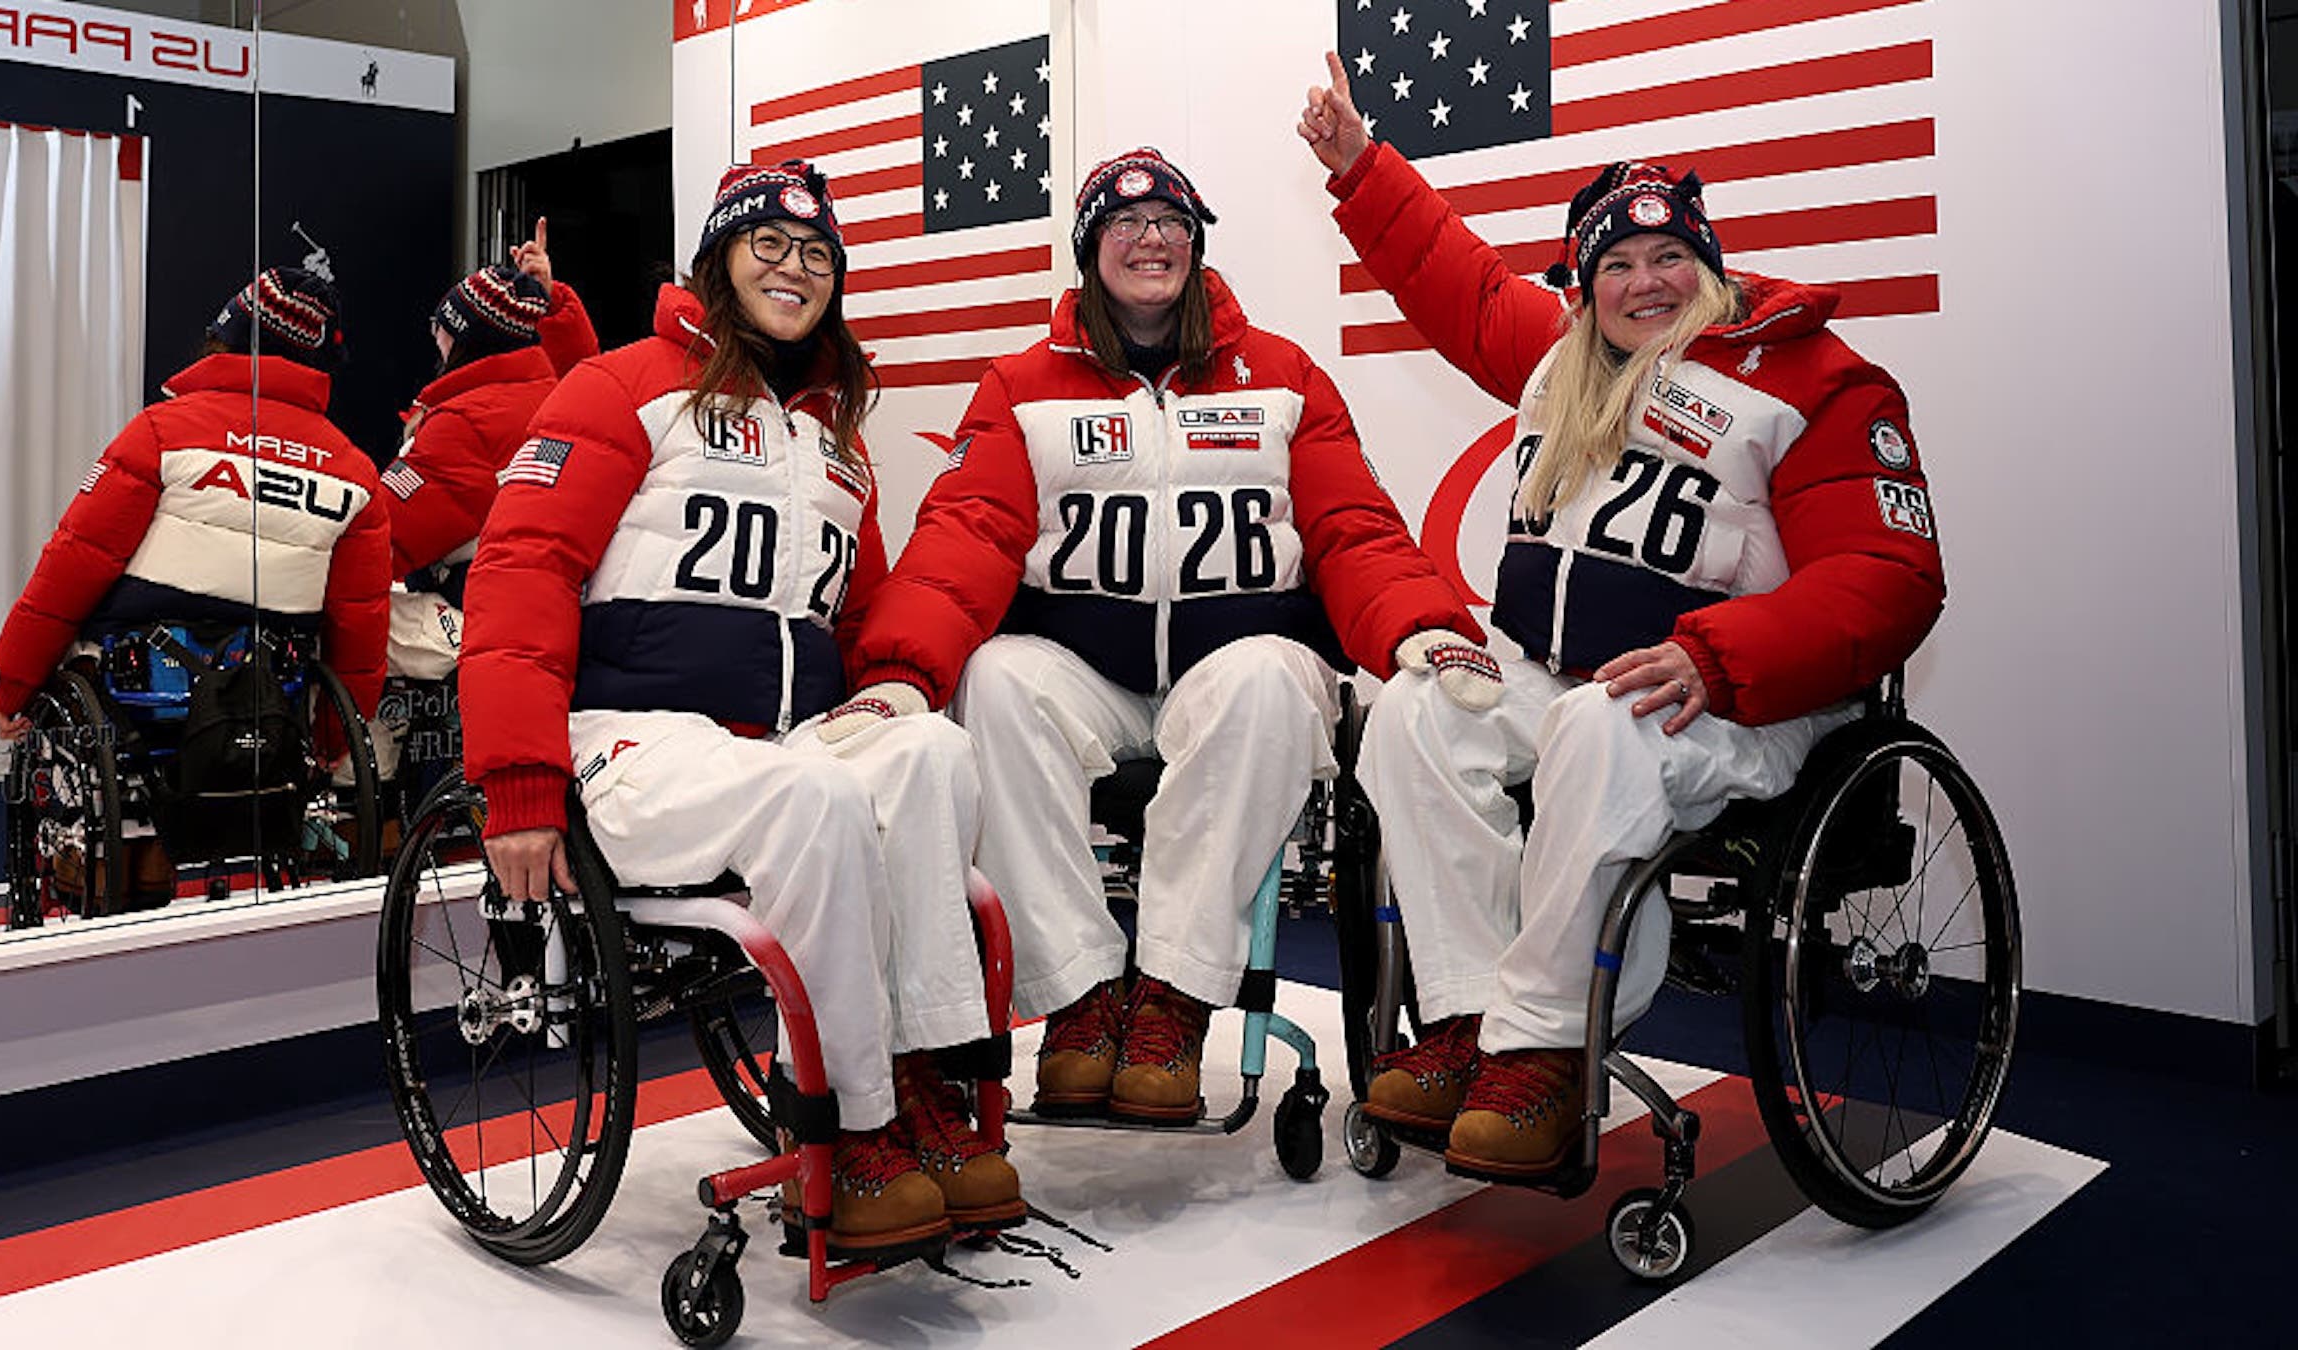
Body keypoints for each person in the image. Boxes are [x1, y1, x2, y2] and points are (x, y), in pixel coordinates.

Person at [1297, 54, 1946, 1179]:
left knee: (1602, 726)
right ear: (1587, 285)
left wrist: (1716, 656)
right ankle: (1462, 1026)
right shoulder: (1564, 363)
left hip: (1737, 694)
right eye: (1620, 264)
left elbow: (1890, 576)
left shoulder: (1818, 382)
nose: (1646, 282)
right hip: (1555, 670)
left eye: (1670, 258)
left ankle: (1545, 1054)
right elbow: (1456, 281)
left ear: (1708, 267)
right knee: (1411, 713)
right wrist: (1361, 169)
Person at [844, 148, 1480, 1125]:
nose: (1151, 240)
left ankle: (1172, 1001)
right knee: (996, 680)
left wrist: (1422, 632)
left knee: (1267, 684)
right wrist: (896, 678)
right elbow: (961, 543)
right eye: (1125, 225)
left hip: (1237, 660)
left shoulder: (1281, 374)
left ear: (1197, 246)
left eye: (1172, 224)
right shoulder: (1022, 386)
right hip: (1086, 669)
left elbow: (1353, 530)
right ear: (1090, 250)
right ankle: (1079, 998)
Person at [460, 160, 1019, 1253]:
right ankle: (851, 1129)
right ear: (716, 260)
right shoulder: (618, 389)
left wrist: (895, 692)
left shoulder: (834, 441)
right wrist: (517, 783)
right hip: (629, 741)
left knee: (934, 758)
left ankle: (925, 1085)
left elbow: (858, 620)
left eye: (817, 256)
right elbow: (520, 571)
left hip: (784, 742)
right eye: (767, 245)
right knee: (811, 796)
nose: (794, 269)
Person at [0, 262, 392, 908]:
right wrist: (331, 739)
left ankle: (134, 857)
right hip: (271, 696)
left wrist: (15, 682)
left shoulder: (160, 432)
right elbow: (361, 624)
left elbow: (71, 566)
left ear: (230, 339)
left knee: (95, 670)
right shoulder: (356, 472)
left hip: (142, 695)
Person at [370, 220, 598, 771]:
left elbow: (382, 536)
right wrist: (551, 298)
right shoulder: (567, 397)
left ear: (466, 338)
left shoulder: (464, 423)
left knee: (347, 622)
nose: (435, 339)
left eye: (441, 328)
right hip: (568, 618)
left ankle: (355, 807)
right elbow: (585, 367)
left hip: (491, 621)